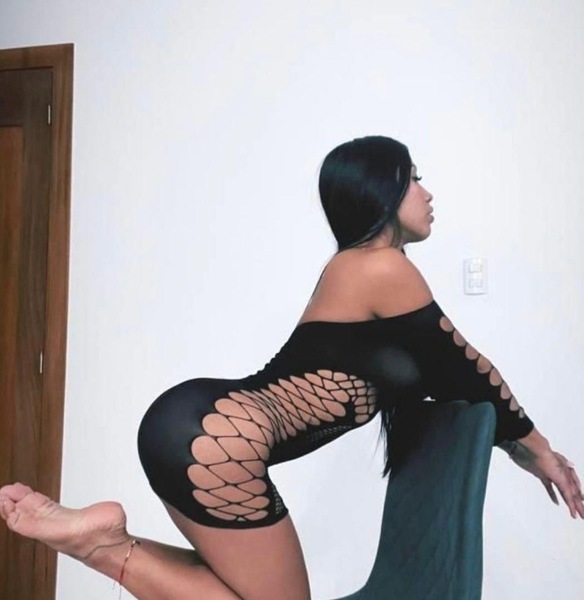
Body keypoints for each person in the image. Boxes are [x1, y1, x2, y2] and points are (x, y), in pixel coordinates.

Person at [1, 135, 582, 600]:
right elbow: (466, 366)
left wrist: (518, 446)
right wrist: (539, 451)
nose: (427, 193)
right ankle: (101, 548)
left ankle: (105, 543)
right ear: (381, 190)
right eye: (413, 178)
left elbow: (449, 375)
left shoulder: (357, 273)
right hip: (219, 436)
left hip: (194, 428)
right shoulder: (379, 267)